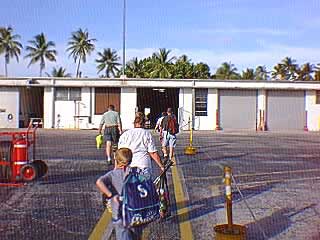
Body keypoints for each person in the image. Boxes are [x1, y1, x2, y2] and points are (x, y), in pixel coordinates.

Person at [96, 148, 143, 240]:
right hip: (135, 211)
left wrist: (110, 195)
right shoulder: (136, 172)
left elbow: (99, 182)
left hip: (119, 213)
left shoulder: (113, 174)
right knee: (136, 235)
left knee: (123, 234)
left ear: (116, 160)